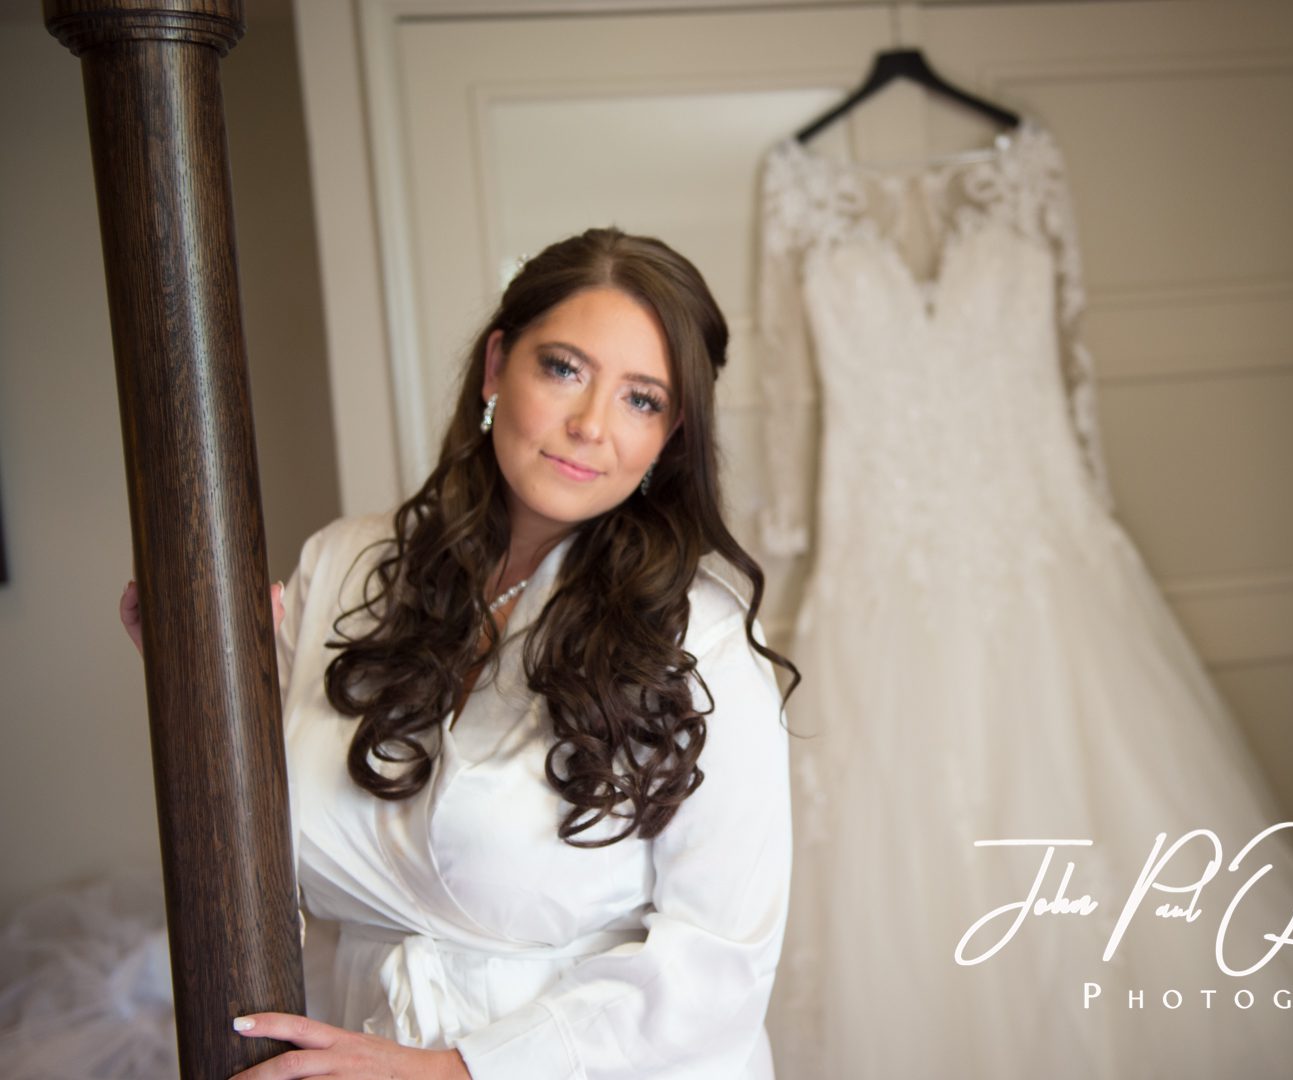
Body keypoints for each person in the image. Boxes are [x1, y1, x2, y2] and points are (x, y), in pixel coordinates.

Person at [120, 227, 799, 1079]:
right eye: (564, 369)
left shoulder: (703, 644)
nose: (590, 426)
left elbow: (719, 969)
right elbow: (251, 839)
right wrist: (198, 683)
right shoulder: (345, 568)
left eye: (640, 399)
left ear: (673, 433)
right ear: (496, 368)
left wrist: (450, 1069)